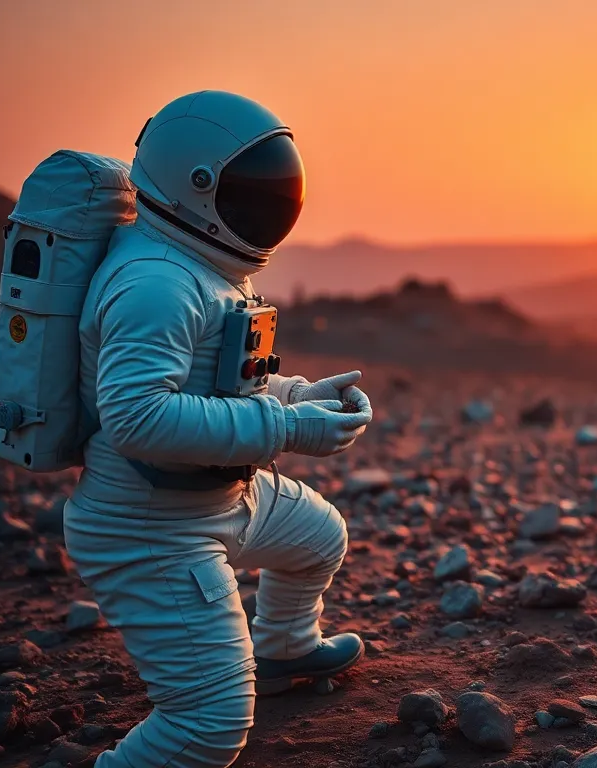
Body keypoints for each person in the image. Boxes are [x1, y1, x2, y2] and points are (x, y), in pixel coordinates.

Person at [62, 90, 372, 768]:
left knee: (319, 538)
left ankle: (285, 646)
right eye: (254, 190)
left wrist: (301, 396)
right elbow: (139, 417)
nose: (270, 205)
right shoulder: (156, 284)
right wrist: (286, 427)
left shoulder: (198, 267)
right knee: (208, 726)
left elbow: (222, 383)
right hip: (147, 527)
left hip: (219, 496)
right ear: (199, 187)